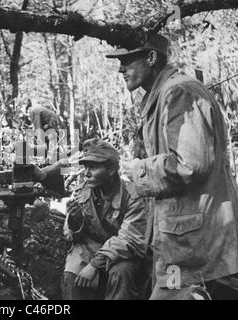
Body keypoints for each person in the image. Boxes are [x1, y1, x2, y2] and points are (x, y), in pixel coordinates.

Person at [107, 33, 238, 299]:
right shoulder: (165, 94)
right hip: (180, 245)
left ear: (151, 57)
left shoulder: (180, 92)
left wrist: (138, 170)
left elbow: (189, 164)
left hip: (195, 250)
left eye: (128, 61)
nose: (121, 69)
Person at [60, 138, 147, 300]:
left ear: (112, 170)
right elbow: (71, 237)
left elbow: (130, 239)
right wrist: (75, 222)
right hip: (89, 248)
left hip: (122, 254)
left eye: (93, 167)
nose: (86, 173)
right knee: (72, 274)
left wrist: (95, 264)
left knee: (121, 273)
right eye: (85, 167)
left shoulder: (132, 196)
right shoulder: (81, 193)